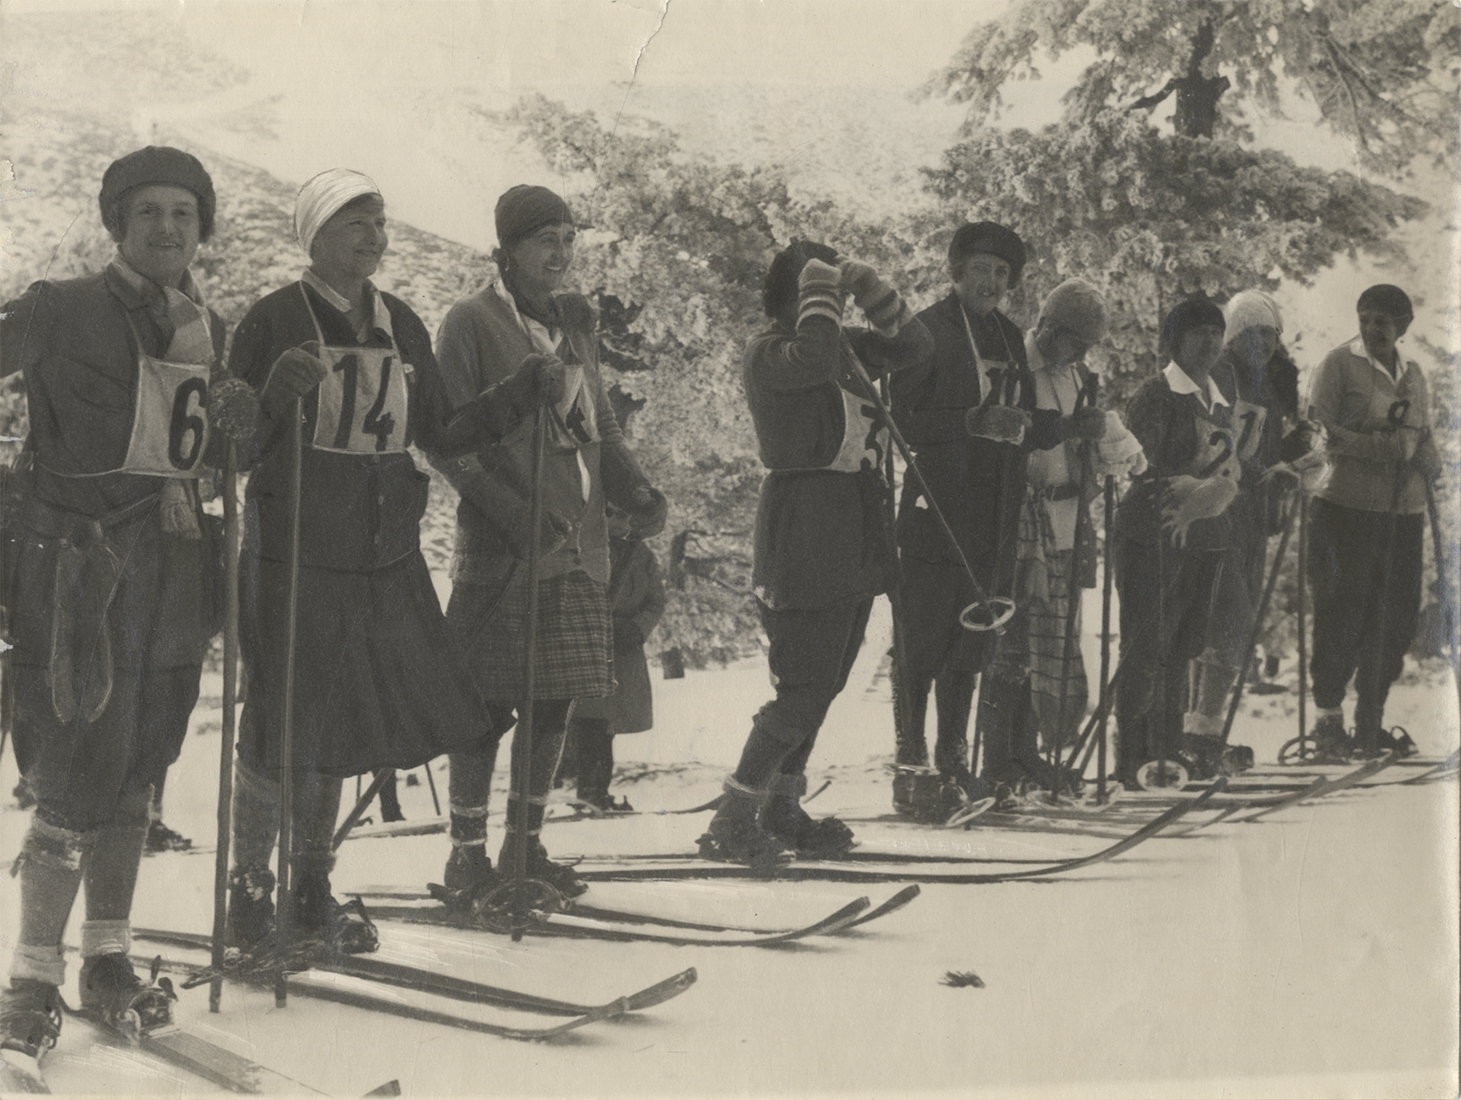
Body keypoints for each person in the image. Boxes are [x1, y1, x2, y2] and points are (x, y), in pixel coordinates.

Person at [0, 147, 258, 1077]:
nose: (165, 229)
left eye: (183, 214)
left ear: (202, 229)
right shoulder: (60, 307)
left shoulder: (204, 324)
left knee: (141, 763)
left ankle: (106, 958)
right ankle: (29, 983)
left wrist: (250, 417)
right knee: (75, 764)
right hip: (79, 572)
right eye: (147, 212)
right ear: (117, 222)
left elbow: (217, 449)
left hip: (173, 569)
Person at [223, 169, 503, 951]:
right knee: (282, 723)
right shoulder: (275, 318)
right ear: (313, 235)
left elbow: (441, 431)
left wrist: (518, 396)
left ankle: (311, 883)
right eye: (355, 224)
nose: (374, 238)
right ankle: (248, 892)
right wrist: (276, 393)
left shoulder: (399, 322)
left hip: (384, 558)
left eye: (380, 223)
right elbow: (232, 448)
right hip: (296, 556)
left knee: (342, 724)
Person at [431, 185, 667, 901]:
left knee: (553, 702)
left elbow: (599, 424)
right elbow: (447, 444)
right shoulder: (470, 322)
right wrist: (509, 511)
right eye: (544, 239)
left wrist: (635, 489)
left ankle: (524, 849)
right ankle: (466, 856)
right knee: (482, 709)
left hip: (576, 541)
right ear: (505, 252)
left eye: (568, 237)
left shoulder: (574, 324)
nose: (559, 252)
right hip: (504, 550)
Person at [698, 240, 932, 862]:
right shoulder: (770, 353)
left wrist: (874, 290)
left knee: (827, 682)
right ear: (791, 295)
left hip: (852, 521)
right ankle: (735, 812)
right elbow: (815, 358)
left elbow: (915, 348)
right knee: (802, 684)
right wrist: (823, 293)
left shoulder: (840, 344)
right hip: (804, 524)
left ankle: (780, 805)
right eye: (810, 288)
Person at [887, 221, 1055, 820]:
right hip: (937, 508)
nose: (992, 281)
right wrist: (968, 423)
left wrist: (1066, 428)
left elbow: (1024, 420)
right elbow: (899, 422)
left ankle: (954, 764)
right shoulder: (926, 331)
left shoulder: (1009, 337)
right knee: (921, 644)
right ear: (955, 271)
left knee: (971, 643)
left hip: (995, 513)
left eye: (1003, 274)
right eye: (981, 269)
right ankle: (911, 768)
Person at [981, 279, 1143, 793]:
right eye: (1077, 340)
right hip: (1027, 521)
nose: (1082, 352)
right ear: (1050, 328)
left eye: (1089, 345)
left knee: (1053, 645)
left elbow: (1082, 445)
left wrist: (1099, 440)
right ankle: (999, 761)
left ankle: (1031, 753)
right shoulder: (1017, 369)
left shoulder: (1076, 377)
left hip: (1071, 519)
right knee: (1015, 645)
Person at [1183, 290, 1317, 775]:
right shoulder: (1220, 373)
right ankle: (1195, 733)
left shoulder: (1272, 382)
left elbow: (1270, 444)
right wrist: (1265, 465)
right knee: (1224, 618)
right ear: (1234, 336)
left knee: (1236, 624)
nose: (1263, 343)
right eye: (1252, 333)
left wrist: (1296, 449)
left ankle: (1205, 730)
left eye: (1270, 334)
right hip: (1218, 512)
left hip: (1251, 519)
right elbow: (1217, 444)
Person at [1113, 298, 1241, 788]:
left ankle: (1166, 755)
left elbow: (1225, 467)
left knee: (1183, 648)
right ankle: (1132, 761)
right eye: (1198, 333)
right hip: (1151, 537)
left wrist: (1220, 489)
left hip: (1202, 539)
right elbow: (1143, 467)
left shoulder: (1217, 397)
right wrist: (1192, 485)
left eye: (1216, 332)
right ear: (1174, 340)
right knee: (1146, 648)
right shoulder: (1156, 393)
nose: (1209, 343)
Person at [1305, 285, 1437, 761]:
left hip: (1401, 513)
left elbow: (1422, 434)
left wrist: (1428, 456)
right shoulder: (1339, 364)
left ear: (1402, 326)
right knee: (1343, 612)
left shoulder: (1414, 374)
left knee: (1396, 618)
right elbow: (1319, 434)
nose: (1372, 328)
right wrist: (1379, 447)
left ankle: (1370, 722)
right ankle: (1328, 724)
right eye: (1366, 318)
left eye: (1383, 321)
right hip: (1346, 508)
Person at [559, 507, 667, 812]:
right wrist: (596, 624)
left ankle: (595, 792)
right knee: (587, 723)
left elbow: (656, 599)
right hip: (588, 645)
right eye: (613, 515)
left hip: (624, 649)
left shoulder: (641, 554)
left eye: (625, 515)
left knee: (606, 726)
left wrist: (637, 627)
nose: (621, 522)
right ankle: (583, 791)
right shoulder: (583, 545)